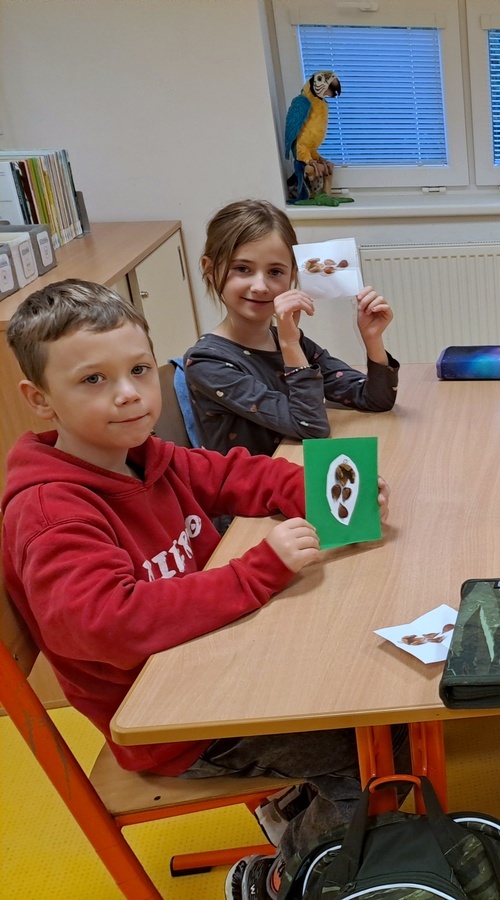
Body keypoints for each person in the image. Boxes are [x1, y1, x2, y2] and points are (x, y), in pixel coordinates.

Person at [0, 280, 402, 900]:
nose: (129, 394)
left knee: (376, 694)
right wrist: (256, 571)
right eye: (93, 380)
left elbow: (238, 475)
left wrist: (321, 494)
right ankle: (280, 878)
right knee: (377, 754)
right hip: (174, 727)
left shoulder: (143, 455)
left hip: (216, 665)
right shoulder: (52, 513)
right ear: (40, 399)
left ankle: (292, 809)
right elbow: (107, 624)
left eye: (138, 370)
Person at [184, 198, 399, 456]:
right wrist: (289, 343)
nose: (260, 286)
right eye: (242, 269)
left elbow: (376, 399)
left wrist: (373, 339)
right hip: (251, 481)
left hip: (294, 468)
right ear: (210, 270)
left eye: (275, 272)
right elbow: (311, 428)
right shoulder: (207, 362)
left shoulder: (288, 341)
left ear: (293, 275)